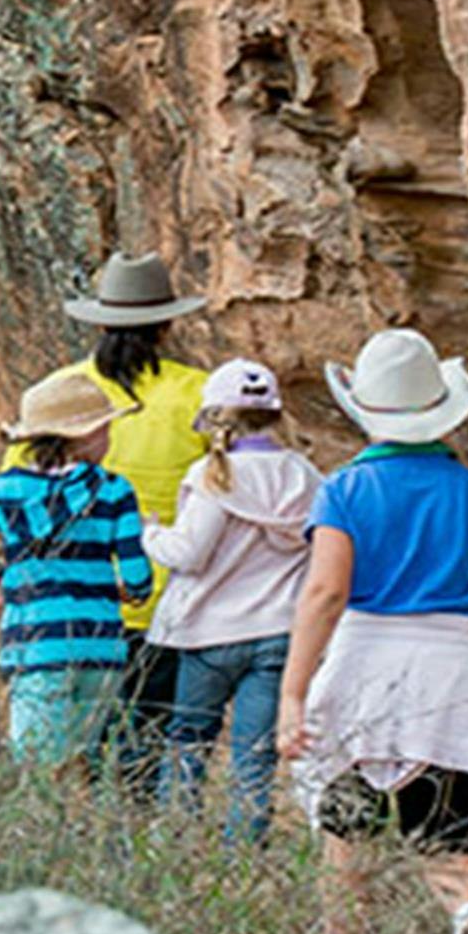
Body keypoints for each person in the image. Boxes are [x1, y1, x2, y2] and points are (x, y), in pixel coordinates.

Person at [276, 329, 468, 934]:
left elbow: (325, 592)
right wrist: (461, 649)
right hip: (453, 663)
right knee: (449, 836)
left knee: (347, 830)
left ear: (363, 409)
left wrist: (293, 695)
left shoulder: (345, 491)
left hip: (364, 661)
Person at [15, 252, 208, 797]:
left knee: (76, 748)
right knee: (145, 742)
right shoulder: (199, 394)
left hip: (68, 606)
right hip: (168, 602)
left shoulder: (57, 396)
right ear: (169, 324)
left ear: (98, 322)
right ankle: (136, 842)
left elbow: (18, 504)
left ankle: (90, 847)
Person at [142, 358, 322, 842]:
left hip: (210, 634)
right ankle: (241, 860)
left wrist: (152, 534)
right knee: (255, 752)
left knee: (188, 741)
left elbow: (190, 555)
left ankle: (172, 848)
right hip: (279, 631)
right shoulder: (303, 475)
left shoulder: (212, 475)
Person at [0, 373, 152, 768]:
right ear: (85, 436)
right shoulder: (115, 491)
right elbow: (138, 577)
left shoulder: (0, 492)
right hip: (100, 648)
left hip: (36, 645)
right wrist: (129, 593)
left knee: (39, 773)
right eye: (105, 429)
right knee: (82, 766)